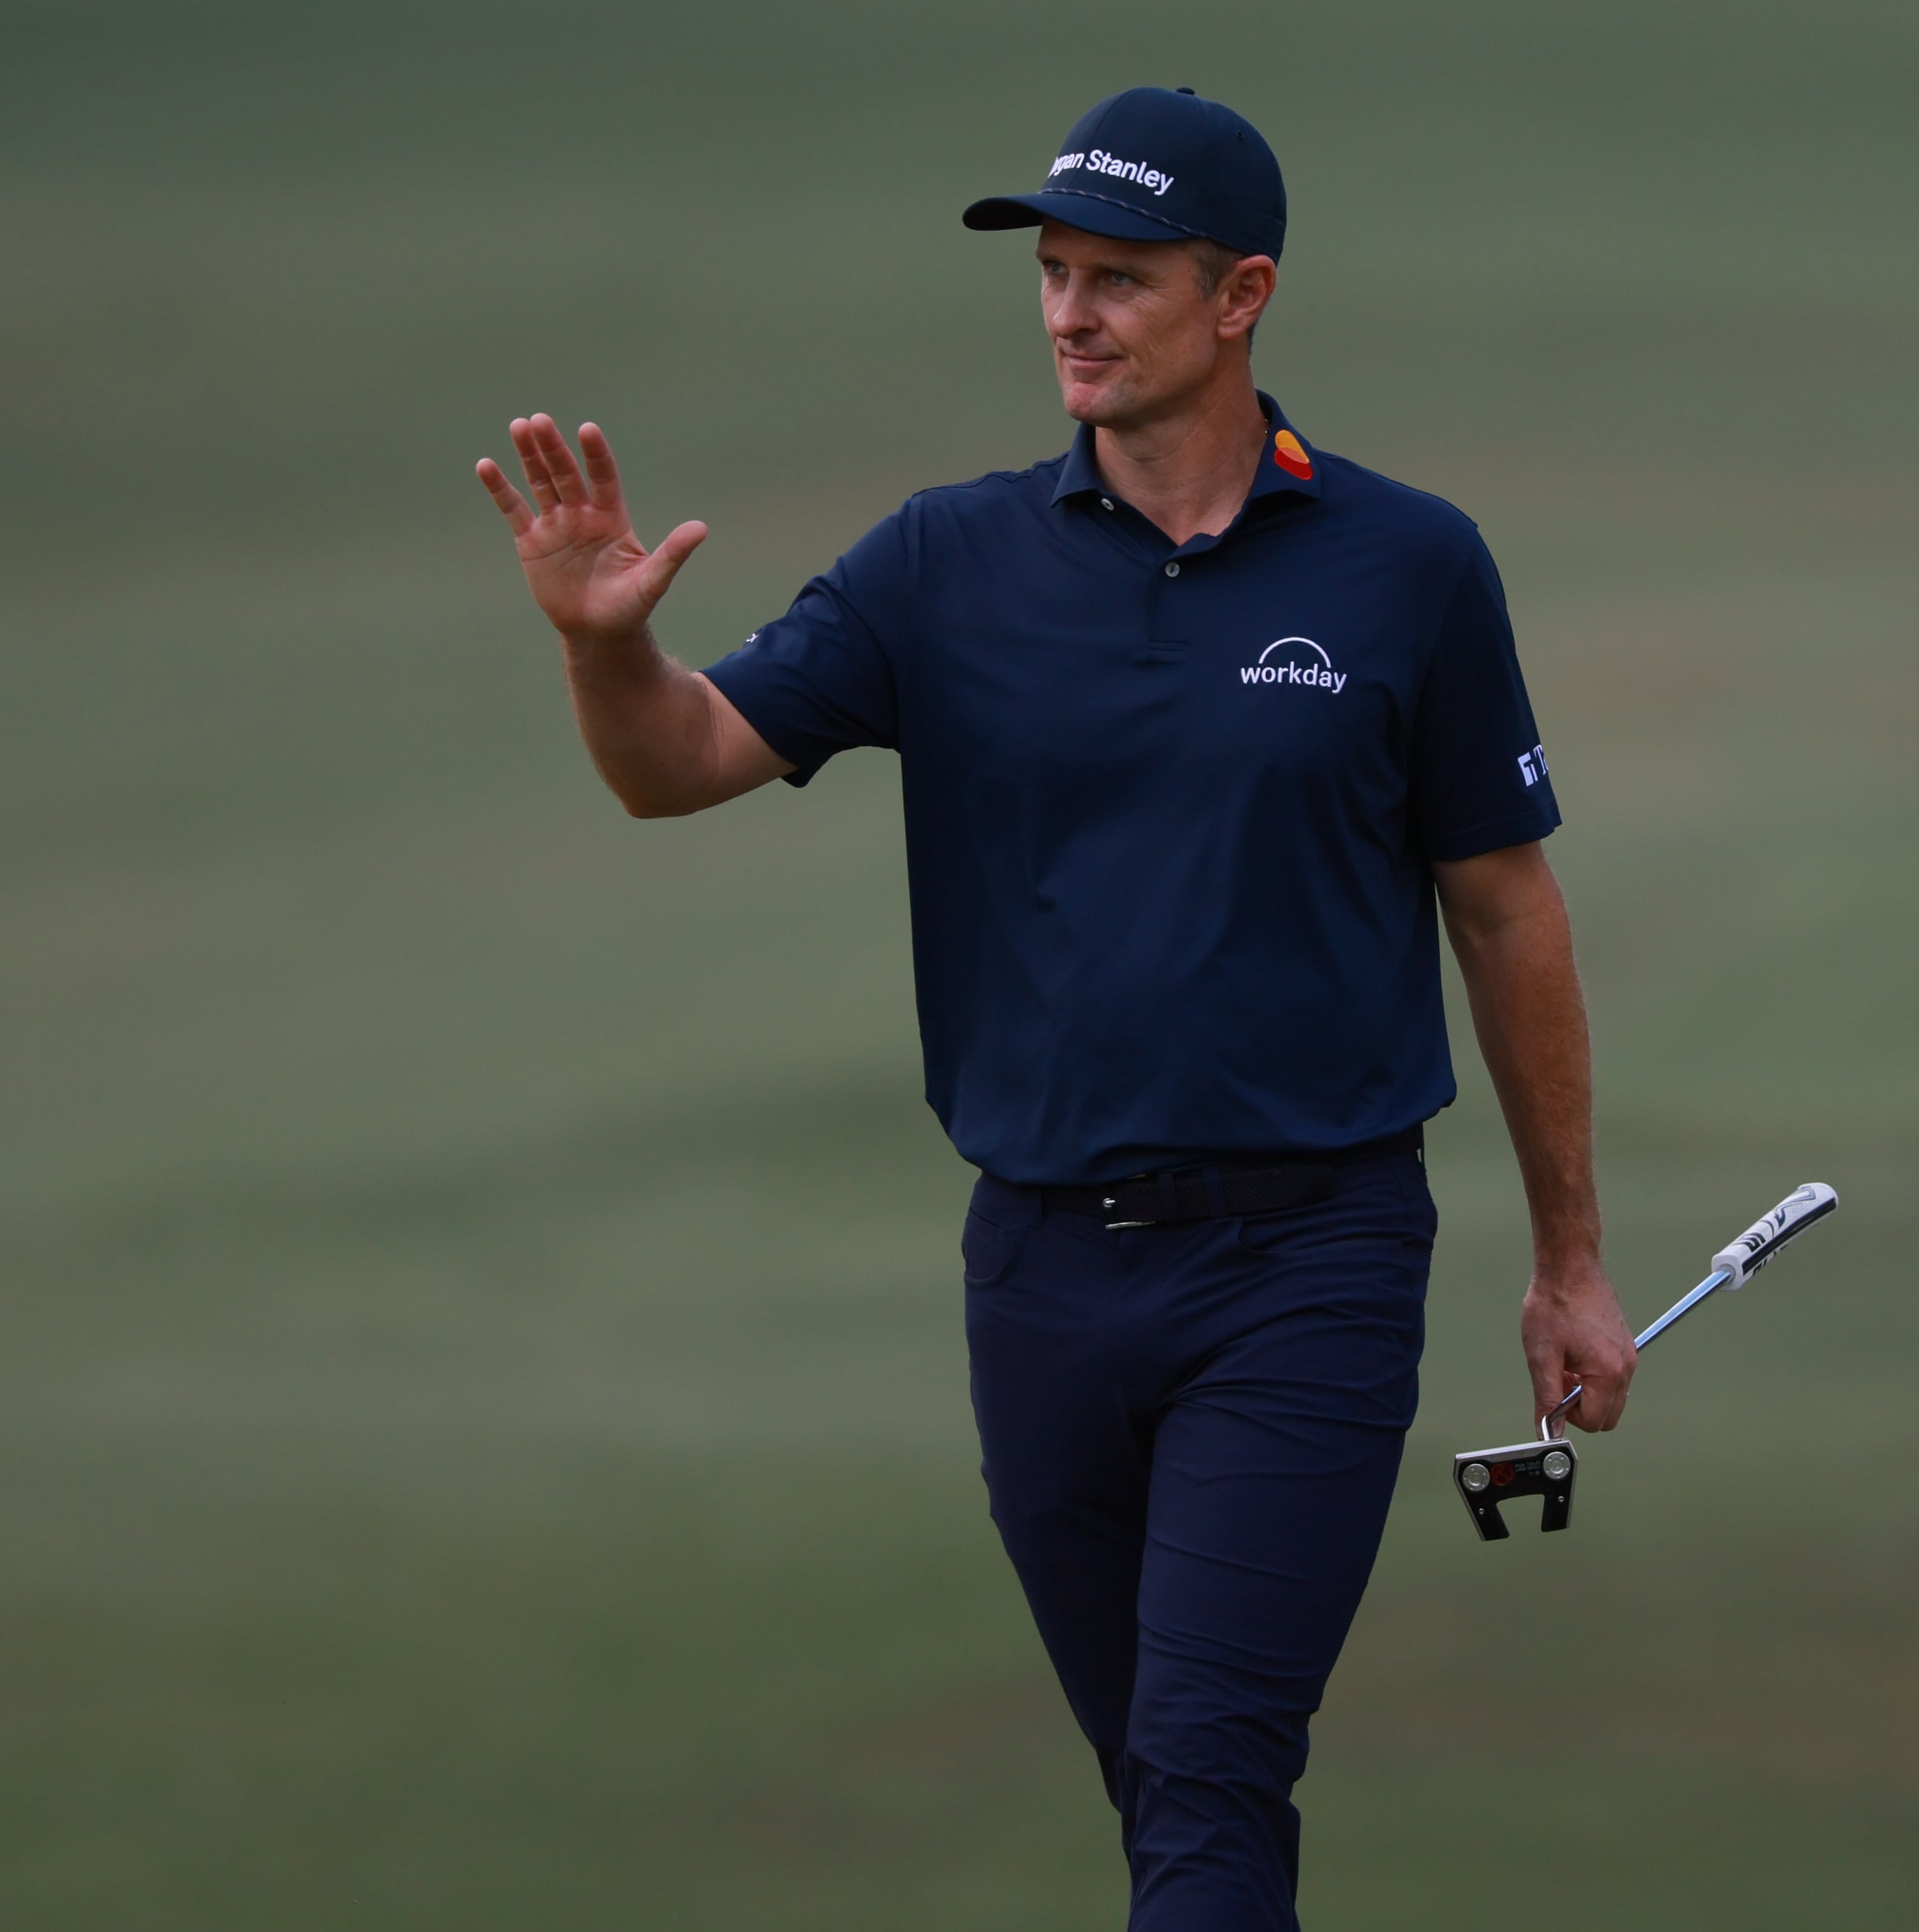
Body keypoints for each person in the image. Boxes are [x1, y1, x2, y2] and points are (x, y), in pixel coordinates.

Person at [474, 84, 1636, 1932]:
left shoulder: (1407, 567)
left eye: (1121, 279)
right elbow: (678, 765)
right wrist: (606, 647)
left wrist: (1570, 1253)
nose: (1071, 315)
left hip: (1309, 1257)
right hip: (1038, 1275)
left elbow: (1505, 906)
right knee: (1170, 1788)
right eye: (1053, 275)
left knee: (1204, 1760)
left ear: (1242, 294)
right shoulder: (948, 564)